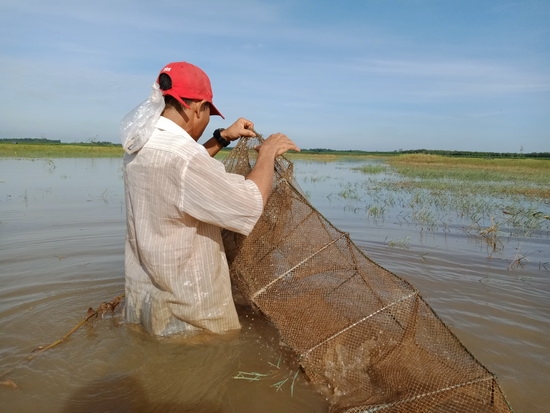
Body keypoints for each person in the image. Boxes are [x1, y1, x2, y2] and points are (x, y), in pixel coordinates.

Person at [121, 61, 299, 337]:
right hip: (191, 314)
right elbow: (250, 203)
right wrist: (267, 153)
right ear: (197, 106)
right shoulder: (183, 158)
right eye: (208, 115)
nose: (206, 123)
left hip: (146, 300)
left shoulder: (140, 143)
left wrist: (222, 137)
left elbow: (181, 178)